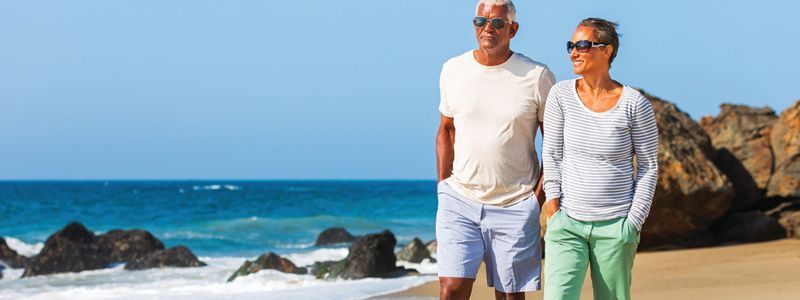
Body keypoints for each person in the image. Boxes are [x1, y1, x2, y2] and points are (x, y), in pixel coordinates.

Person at [435, 0, 556, 299]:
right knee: (451, 290)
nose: (488, 28)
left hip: (516, 203)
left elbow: (554, 142)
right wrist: (443, 186)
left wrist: (537, 198)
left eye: (498, 23)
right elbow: (446, 130)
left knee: (510, 297)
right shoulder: (453, 70)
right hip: (459, 199)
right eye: (481, 21)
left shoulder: (537, 76)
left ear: (513, 29)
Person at [541, 18, 659, 300]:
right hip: (566, 223)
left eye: (582, 45)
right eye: (571, 45)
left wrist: (631, 224)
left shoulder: (634, 104)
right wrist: (554, 208)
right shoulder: (560, 96)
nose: (573, 52)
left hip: (616, 228)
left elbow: (649, 167)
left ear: (606, 50)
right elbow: (552, 154)